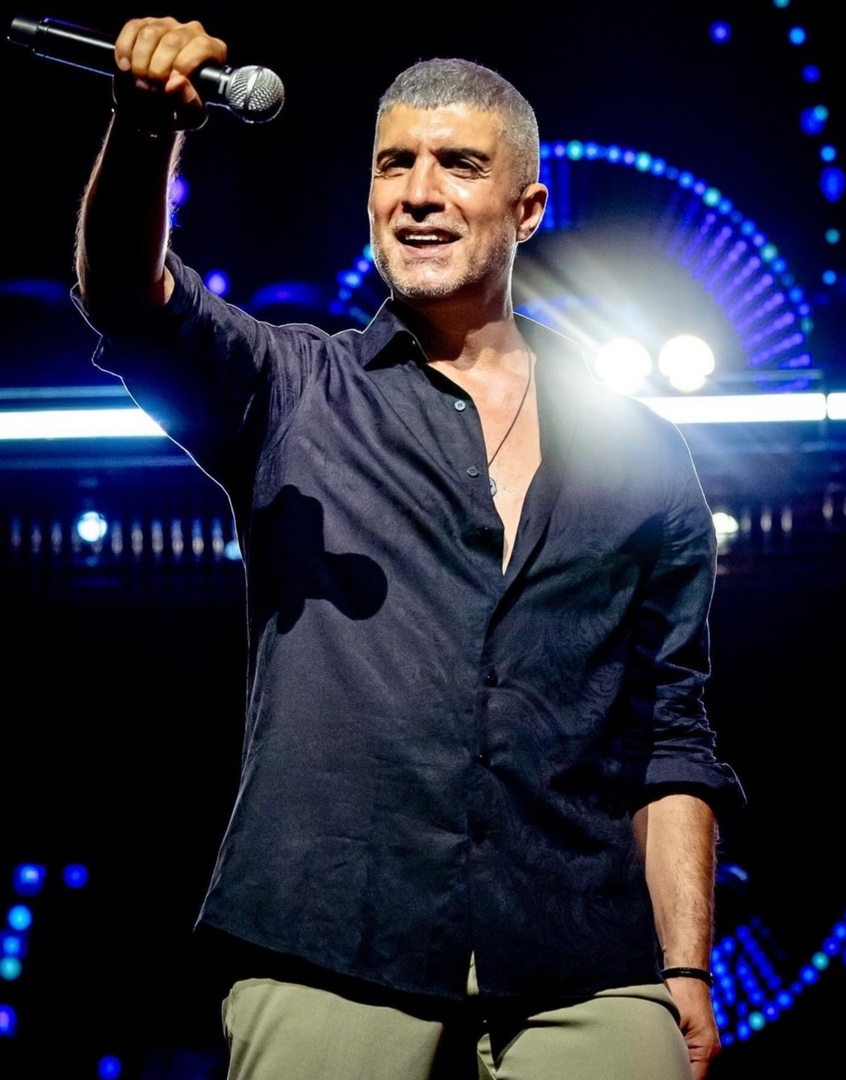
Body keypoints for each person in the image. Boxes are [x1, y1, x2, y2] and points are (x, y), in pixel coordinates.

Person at [73, 16, 745, 1080]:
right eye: (395, 165)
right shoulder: (293, 391)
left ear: (528, 207)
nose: (419, 193)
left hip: (585, 960)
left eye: (459, 165)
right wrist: (146, 129)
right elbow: (127, 297)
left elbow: (670, 736)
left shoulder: (643, 454)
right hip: (332, 945)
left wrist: (686, 968)